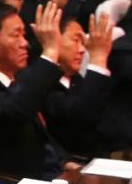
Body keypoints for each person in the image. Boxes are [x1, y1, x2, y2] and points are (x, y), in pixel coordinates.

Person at [0, 0, 70, 179]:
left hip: (51, 175)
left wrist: (65, 162)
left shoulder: (20, 77)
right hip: (11, 182)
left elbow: (41, 137)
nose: (25, 43)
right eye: (16, 35)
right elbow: (16, 110)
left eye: (24, 35)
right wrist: (50, 51)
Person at [41, 12, 114, 157]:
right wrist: (98, 58)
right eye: (76, 41)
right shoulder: (43, 81)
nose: (82, 50)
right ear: (54, 39)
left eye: (83, 43)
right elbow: (81, 115)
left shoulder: (76, 78)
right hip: (67, 162)